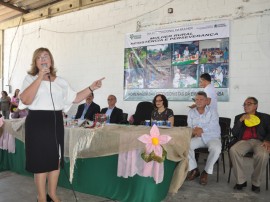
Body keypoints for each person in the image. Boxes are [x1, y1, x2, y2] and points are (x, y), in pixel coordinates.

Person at [18, 47, 104, 202]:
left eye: (46, 56)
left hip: (56, 121)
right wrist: (39, 78)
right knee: (41, 161)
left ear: (51, 60)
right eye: (39, 57)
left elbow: (76, 98)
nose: (43, 59)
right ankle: (41, 197)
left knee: (55, 159)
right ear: (35, 62)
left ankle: (52, 193)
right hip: (37, 122)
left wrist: (92, 87)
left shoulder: (61, 81)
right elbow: (25, 100)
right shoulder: (30, 79)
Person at [229, 97, 270, 193]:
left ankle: (256, 183)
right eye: (244, 104)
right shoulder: (239, 117)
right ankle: (241, 181)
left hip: (260, 141)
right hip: (244, 141)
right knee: (233, 150)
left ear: (256, 106)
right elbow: (234, 133)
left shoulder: (265, 117)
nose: (246, 106)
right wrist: (240, 121)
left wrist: (268, 140)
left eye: (249, 104)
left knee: (263, 155)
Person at [186, 91, 221, 185]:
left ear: (206, 101)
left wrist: (201, 129)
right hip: (198, 137)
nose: (199, 101)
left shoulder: (212, 111)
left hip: (212, 137)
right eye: (196, 99)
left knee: (216, 148)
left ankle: (206, 172)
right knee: (186, 145)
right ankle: (194, 169)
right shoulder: (191, 112)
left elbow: (213, 126)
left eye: (201, 99)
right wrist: (194, 131)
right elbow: (190, 126)